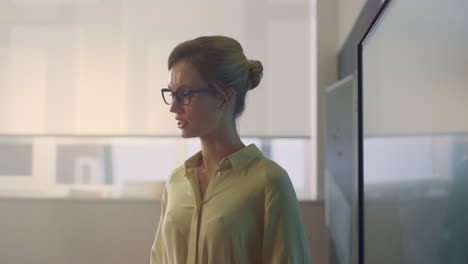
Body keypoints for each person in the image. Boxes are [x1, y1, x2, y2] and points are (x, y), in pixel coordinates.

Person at [150, 36, 311, 264]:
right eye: (172, 94)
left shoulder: (269, 181)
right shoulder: (176, 182)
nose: (174, 108)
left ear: (224, 98)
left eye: (185, 95)